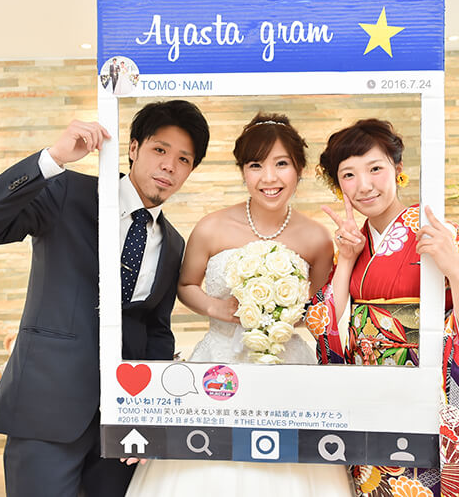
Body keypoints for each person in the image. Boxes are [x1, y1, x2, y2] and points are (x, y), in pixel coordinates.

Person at [0, 100, 210, 497]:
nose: (169, 166)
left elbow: (157, 333)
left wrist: (151, 415)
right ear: (133, 148)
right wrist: (53, 159)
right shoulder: (68, 191)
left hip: (121, 425)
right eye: (159, 149)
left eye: (183, 159)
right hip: (46, 408)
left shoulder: (173, 244)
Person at [125, 113, 355, 496]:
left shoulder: (316, 238)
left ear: (299, 170)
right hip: (217, 365)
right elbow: (186, 284)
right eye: (256, 165)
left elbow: (316, 310)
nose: (269, 177)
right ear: (243, 171)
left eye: (281, 164)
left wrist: (278, 317)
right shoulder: (212, 227)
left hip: (286, 367)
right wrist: (218, 309)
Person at [305, 118, 459, 496]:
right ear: (339, 186)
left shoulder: (440, 234)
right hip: (372, 406)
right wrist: (348, 259)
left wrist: (457, 272)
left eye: (375, 168)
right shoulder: (354, 245)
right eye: (349, 175)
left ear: (398, 169)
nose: (364, 185)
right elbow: (326, 327)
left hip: (434, 402)